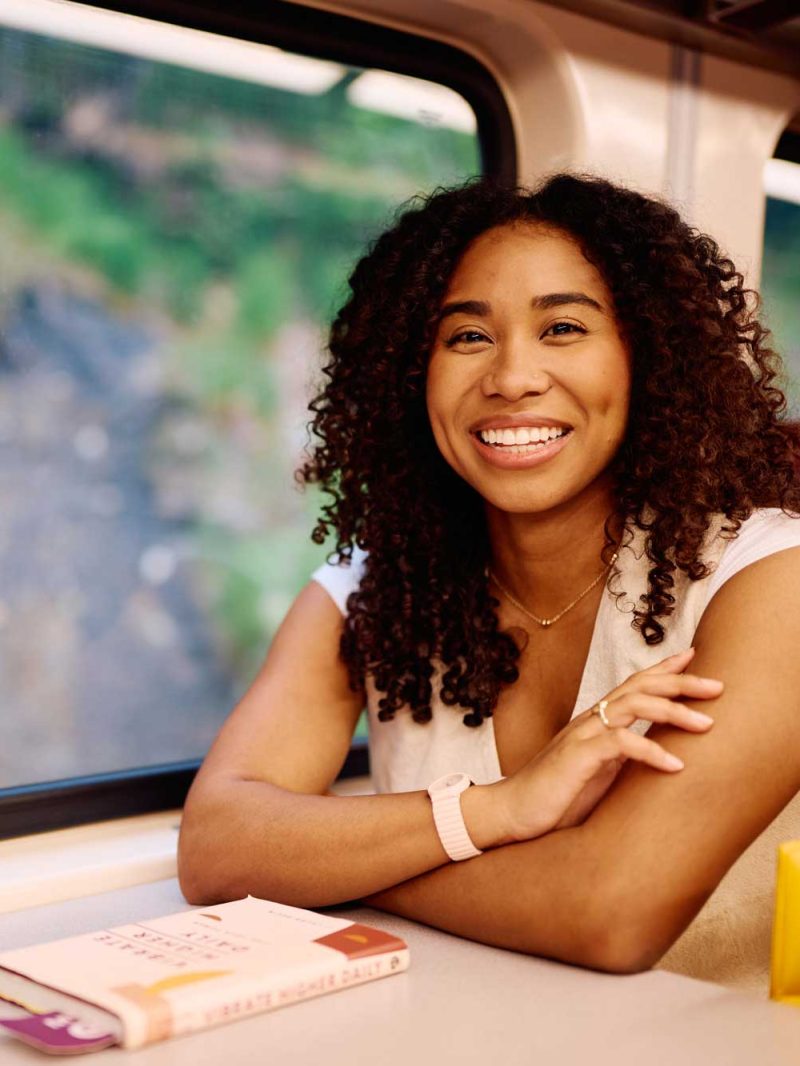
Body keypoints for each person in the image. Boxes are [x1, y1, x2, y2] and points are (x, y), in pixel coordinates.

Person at [178, 172, 800, 995]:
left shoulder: (771, 580)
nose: (511, 377)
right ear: (412, 371)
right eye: (467, 337)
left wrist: (329, 864)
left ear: (649, 357)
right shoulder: (377, 585)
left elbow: (609, 911)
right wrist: (495, 812)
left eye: (564, 328)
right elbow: (216, 845)